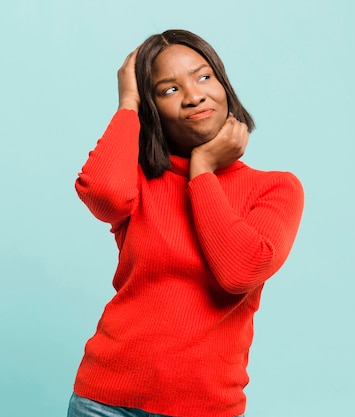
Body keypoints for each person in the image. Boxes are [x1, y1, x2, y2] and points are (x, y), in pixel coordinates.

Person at [67, 29, 305, 417]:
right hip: (104, 401)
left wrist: (202, 172)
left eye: (203, 76)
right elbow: (103, 195)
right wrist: (128, 102)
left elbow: (239, 272)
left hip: (205, 408)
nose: (194, 95)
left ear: (224, 84)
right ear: (153, 108)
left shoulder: (275, 188)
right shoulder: (140, 179)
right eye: (168, 89)